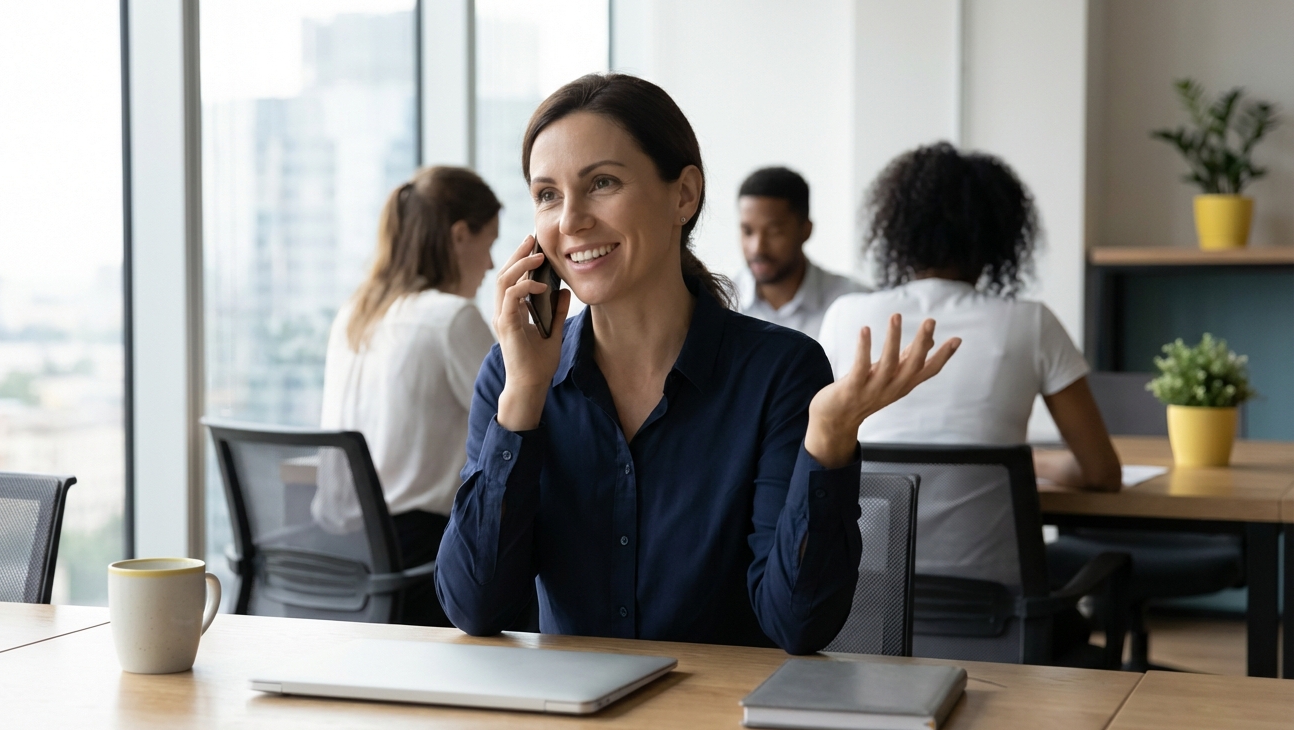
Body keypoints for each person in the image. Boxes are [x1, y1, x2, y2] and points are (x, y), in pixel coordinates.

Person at [434, 74, 959, 655]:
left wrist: (830, 436)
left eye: (601, 182)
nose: (570, 220)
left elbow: (799, 623)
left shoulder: (780, 372)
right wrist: (523, 398)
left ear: (683, 194)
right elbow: (474, 607)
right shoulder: (513, 376)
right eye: (548, 195)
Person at [817, 142, 1121, 591]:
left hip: (866, 602)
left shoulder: (846, 317)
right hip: (995, 608)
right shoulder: (1031, 323)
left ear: (897, 232)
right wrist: (1041, 465)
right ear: (1000, 237)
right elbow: (1101, 473)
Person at [314, 166, 500, 627]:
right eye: (490, 243)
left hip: (344, 559)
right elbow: (519, 423)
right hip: (419, 559)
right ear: (460, 236)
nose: (493, 264)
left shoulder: (355, 313)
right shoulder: (451, 318)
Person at [732, 167, 867, 338]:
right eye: (748, 232)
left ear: (806, 230)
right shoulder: (717, 304)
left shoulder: (855, 304)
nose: (757, 248)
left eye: (774, 232)